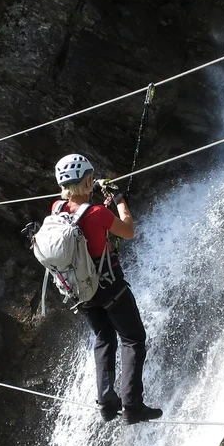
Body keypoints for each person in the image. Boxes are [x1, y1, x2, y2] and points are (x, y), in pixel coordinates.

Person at [52, 154, 163, 425]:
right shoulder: (97, 213)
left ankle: (106, 402)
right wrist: (118, 199)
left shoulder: (56, 208)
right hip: (109, 288)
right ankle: (132, 406)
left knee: (104, 338)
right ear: (89, 180)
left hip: (81, 293)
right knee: (133, 338)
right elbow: (128, 231)